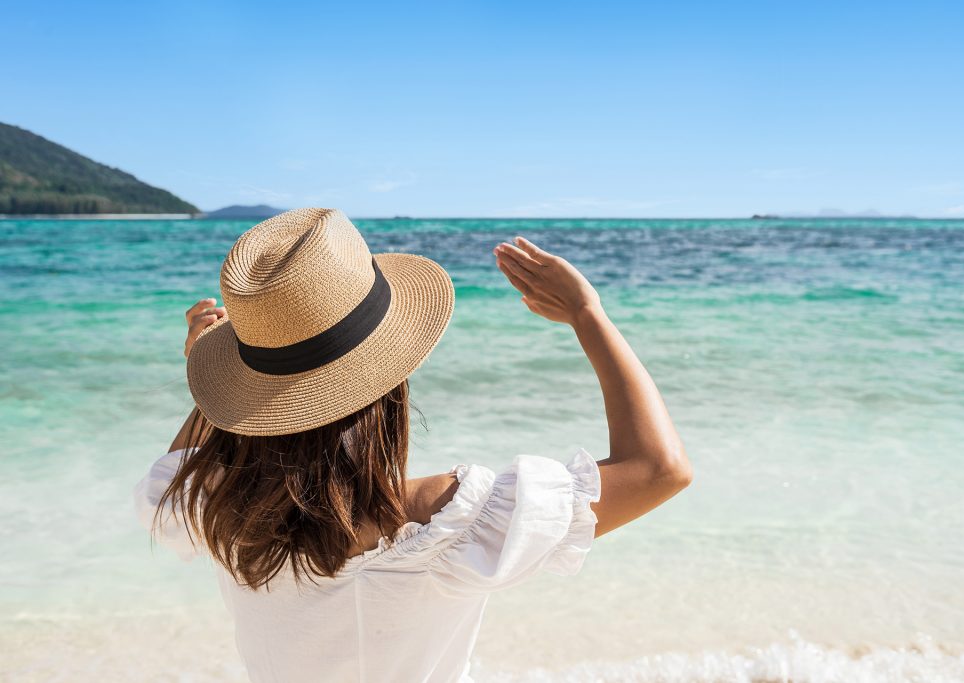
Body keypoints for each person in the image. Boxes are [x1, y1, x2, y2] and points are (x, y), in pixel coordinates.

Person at [134, 208, 692, 683]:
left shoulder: (219, 514)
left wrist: (225, 382)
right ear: (391, 381)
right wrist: (587, 313)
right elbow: (659, 469)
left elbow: (175, 470)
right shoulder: (443, 528)